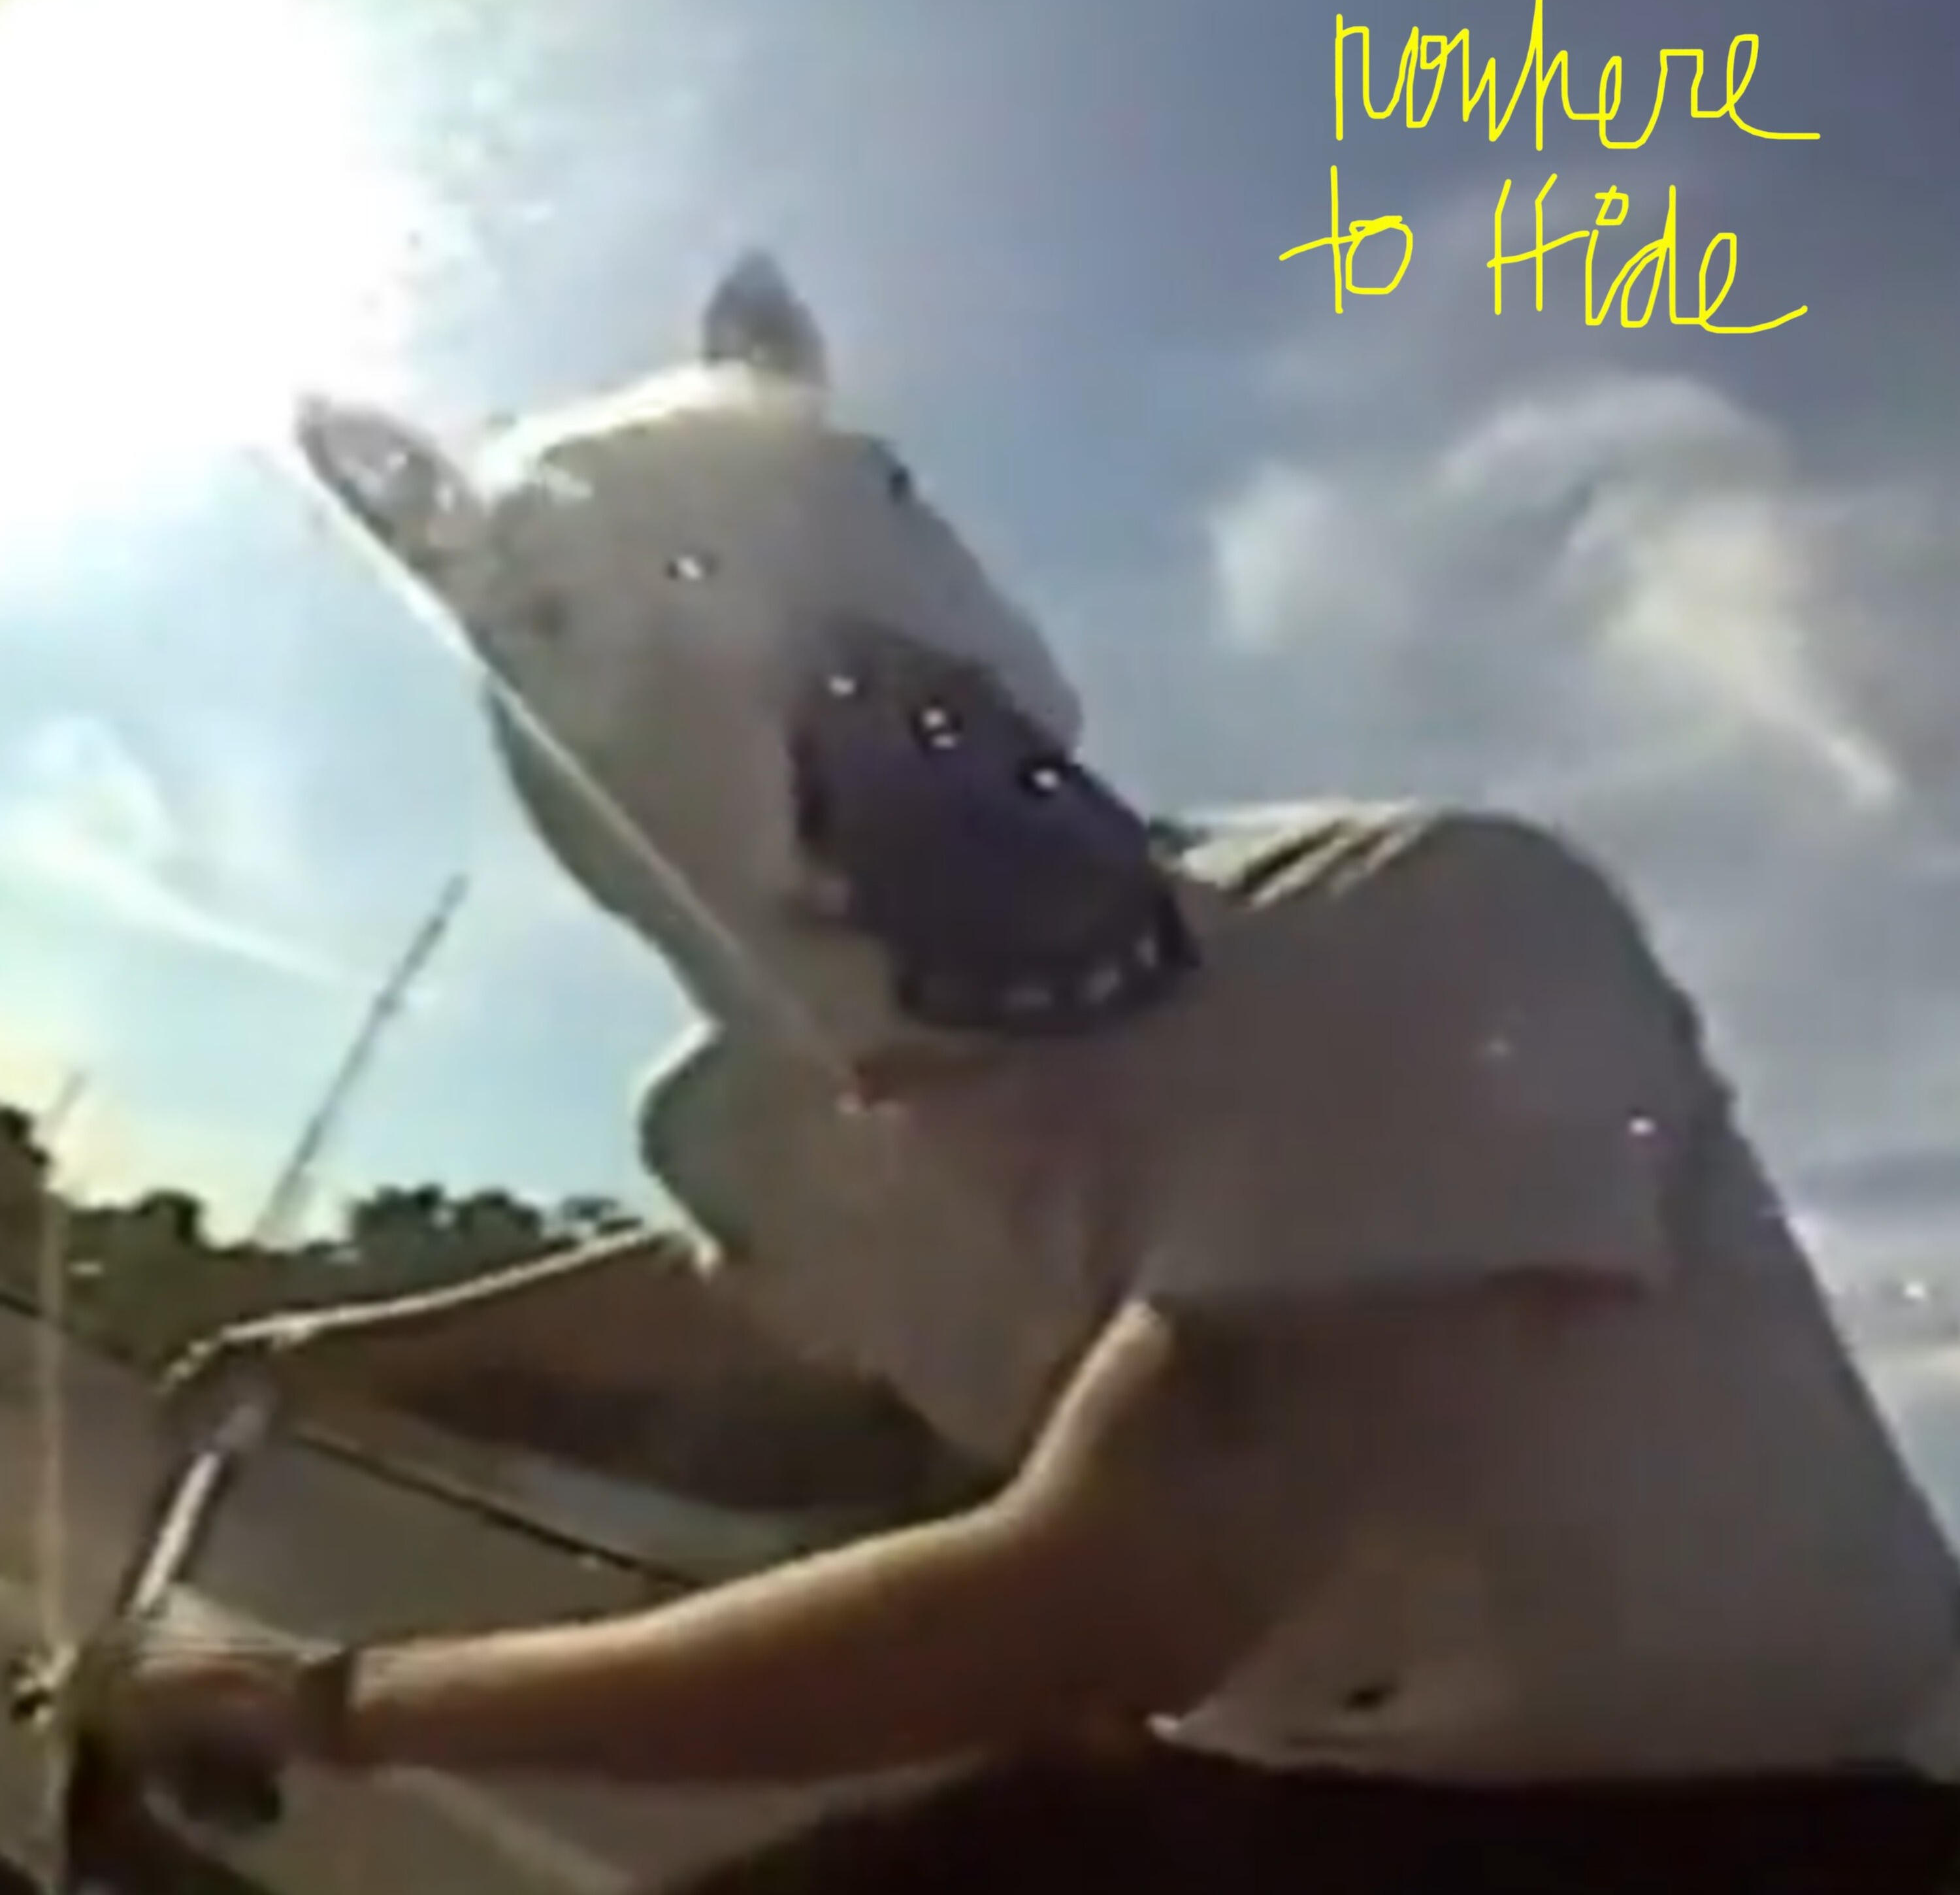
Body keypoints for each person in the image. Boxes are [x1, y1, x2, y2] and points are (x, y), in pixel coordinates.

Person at [46, 256, 1960, 1893]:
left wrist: (331, 1702)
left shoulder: (1409, 922)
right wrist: (343, 1346)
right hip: (1272, 1773)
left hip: (1759, 1817)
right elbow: (749, 1296)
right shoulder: (768, 1113)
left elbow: (1108, 1596)